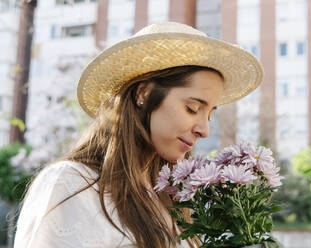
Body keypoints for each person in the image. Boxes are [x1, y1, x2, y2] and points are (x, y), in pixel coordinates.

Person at [14, 22, 263, 248]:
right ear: (143, 93)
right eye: (193, 108)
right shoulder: (72, 184)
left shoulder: (169, 201)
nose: (204, 130)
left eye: (209, 115)